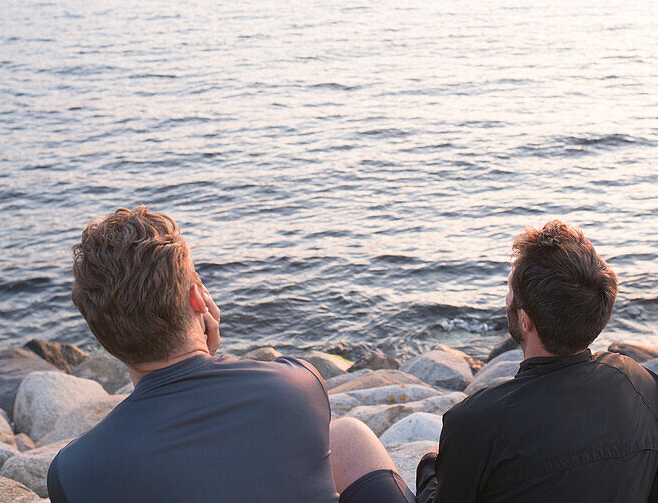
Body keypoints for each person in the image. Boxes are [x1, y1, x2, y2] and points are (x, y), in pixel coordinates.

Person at [47, 206, 414, 503]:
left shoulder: (73, 470)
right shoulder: (296, 385)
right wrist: (206, 355)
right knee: (347, 434)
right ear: (198, 299)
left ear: (102, 335)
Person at [415, 221, 658, 502]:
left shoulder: (475, 422)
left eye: (510, 289)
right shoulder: (645, 388)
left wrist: (429, 469)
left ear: (525, 321)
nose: (507, 296)